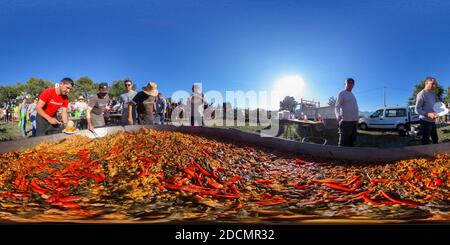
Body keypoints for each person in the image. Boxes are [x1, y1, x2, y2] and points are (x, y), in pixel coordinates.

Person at [335, 78, 359, 147]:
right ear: (345, 84)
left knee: (352, 141)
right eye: (348, 83)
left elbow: (354, 107)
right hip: (346, 122)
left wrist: (356, 120)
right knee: (343, 142)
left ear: (353, 85)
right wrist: (338, 115)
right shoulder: (342, 93)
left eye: (352, 83)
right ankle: (341, 156)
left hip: (354, 122)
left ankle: (350, 155)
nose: (350, 84)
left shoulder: (352, 95)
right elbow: (337, 106)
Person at [415, 77, 440, 145]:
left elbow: (438, 104)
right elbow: (417, 109)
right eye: (432, 83)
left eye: (435, 84)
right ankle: (425, 154)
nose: (434, 85)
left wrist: (442, 110)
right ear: (426, 83)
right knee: (426, 141)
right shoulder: (421, 94)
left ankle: (436, 153)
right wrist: (428, 114)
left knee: (435, 139)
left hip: (432, 121)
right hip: (425, 121)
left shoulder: (433, 94)